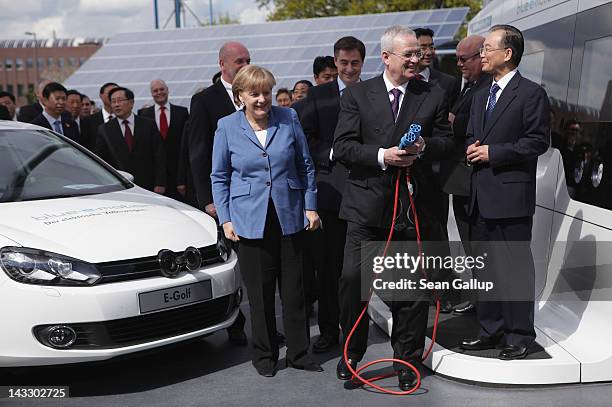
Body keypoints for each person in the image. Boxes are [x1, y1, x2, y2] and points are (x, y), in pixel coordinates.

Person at [333, 25, 452, 391]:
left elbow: (447, 143)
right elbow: (344, 147)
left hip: (410, 210)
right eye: (410, 55)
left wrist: (424, 148)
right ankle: (351, 355)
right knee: (354, 281)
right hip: (366, 208)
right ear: (387, 58)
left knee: (410, 291)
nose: (418, 60)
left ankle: (406, 360)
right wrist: (383, 156)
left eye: (419, 53)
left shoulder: (432, 93)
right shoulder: (358, 94)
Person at [211, 65, 322, 377]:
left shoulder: (289, 118)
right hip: (249, 221)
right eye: (254, 93)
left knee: (295, 292)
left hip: (289, 215)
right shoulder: (226, 126)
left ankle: (300, 353)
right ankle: (265, 357)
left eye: (266, 92)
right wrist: (226, 218)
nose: (261, 99)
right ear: (240, 96)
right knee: (259, 296)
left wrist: (310, 207)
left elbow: (305, 165)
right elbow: (219, 177)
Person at [462, 24, 550, 360]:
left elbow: (538, 141)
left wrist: (492, 153)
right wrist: (473, 146)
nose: (482, 54)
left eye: (487, 48)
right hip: (480, 195)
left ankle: (519, 335)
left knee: (513, 268)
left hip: (510, 197)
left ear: (508, 53)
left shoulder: (531, 94)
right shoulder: (481, 93)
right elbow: (473, 131)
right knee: (485, 267)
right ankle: (490, 329)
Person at [299, 35, 365, 354]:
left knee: (358, 272)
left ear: (362, 63)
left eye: (355, 63)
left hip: (367, 193)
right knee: (327, 268)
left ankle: (355, 331)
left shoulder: (375, 93)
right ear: (335, 63)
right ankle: (328, 331)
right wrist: (332, 153)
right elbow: (305, 138)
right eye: (343, 63)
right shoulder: (318, 96)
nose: (349, 68)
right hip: (329, 193)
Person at [188, 41, 251, 345]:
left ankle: (262, 326)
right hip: (223, 197)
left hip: (253, 196)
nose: (245, 64)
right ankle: (235, 325)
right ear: (222, 64)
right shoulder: (205, 101)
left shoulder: (256, 95)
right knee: (230, 262)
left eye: (248, 60)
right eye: (239, 61)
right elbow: (199, 152)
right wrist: (207, 199)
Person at [441, 35, 490, 315]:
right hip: (461, 181)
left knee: (478, 245)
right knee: (471, 246)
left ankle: (486, 304)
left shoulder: (485, 87)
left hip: (473, 180)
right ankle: (481, 300)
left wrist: (451, 120)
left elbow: (475, 123)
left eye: (464, 59)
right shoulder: (469, 86)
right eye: (457, 59)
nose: (459, 64)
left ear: (481, 57)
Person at [95, 87, 166, 194]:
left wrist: (160, 183)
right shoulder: (105, 129)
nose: (116, 105)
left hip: (149, 184)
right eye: (113, 101)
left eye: (120, 100)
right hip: (120, 186)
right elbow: (102, 159)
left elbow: (159, 155)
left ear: (131, 102)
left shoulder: (148, 124)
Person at [138, 79, 189, 200]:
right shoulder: (143, 114)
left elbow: (185, 144)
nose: (159, 92)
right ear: (151, 93)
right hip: (154, 176)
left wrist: (183, 178)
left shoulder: (181, 112)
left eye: (161, 89)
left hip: (177, 173)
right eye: (155, 90)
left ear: (167, 90)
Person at [414, 28, 460, 107]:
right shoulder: (401, 80)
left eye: (431, 47)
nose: (428, 52)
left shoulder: (448, 83)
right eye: (423, 48)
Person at [81, 82, 119, 150]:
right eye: (110, 93)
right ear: (101, 96)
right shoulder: (88, 121)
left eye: (116, 93)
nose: (113, 96)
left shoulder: (126, 119)